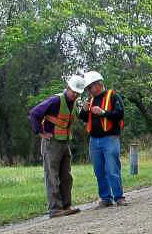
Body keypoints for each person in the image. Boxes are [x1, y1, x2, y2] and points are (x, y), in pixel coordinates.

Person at [28, 75, 86, 218]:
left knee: (66, 176)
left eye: (78, 93)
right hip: (52, 143)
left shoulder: (74, 103)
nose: (75, 95)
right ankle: (55, 209)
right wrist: (40, 132)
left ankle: (66, 205)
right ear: (68, 87)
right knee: (52, 176)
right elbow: (34, 114)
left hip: (64, 142)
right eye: (74, 92)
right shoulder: (55, 100)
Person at [80, 70, 127, 207]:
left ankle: (119, 197)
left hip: (110, 139)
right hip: (94, 141)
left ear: (99, 84)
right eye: (87, 88)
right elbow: (83, 118)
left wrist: (103, 113)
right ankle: (106, 198)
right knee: (99, 171)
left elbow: (120, 113)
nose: (88, 90)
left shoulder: (113, 96)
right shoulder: (90, 100)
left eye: (90, 87)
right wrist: (84, 110)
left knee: (112, 169)